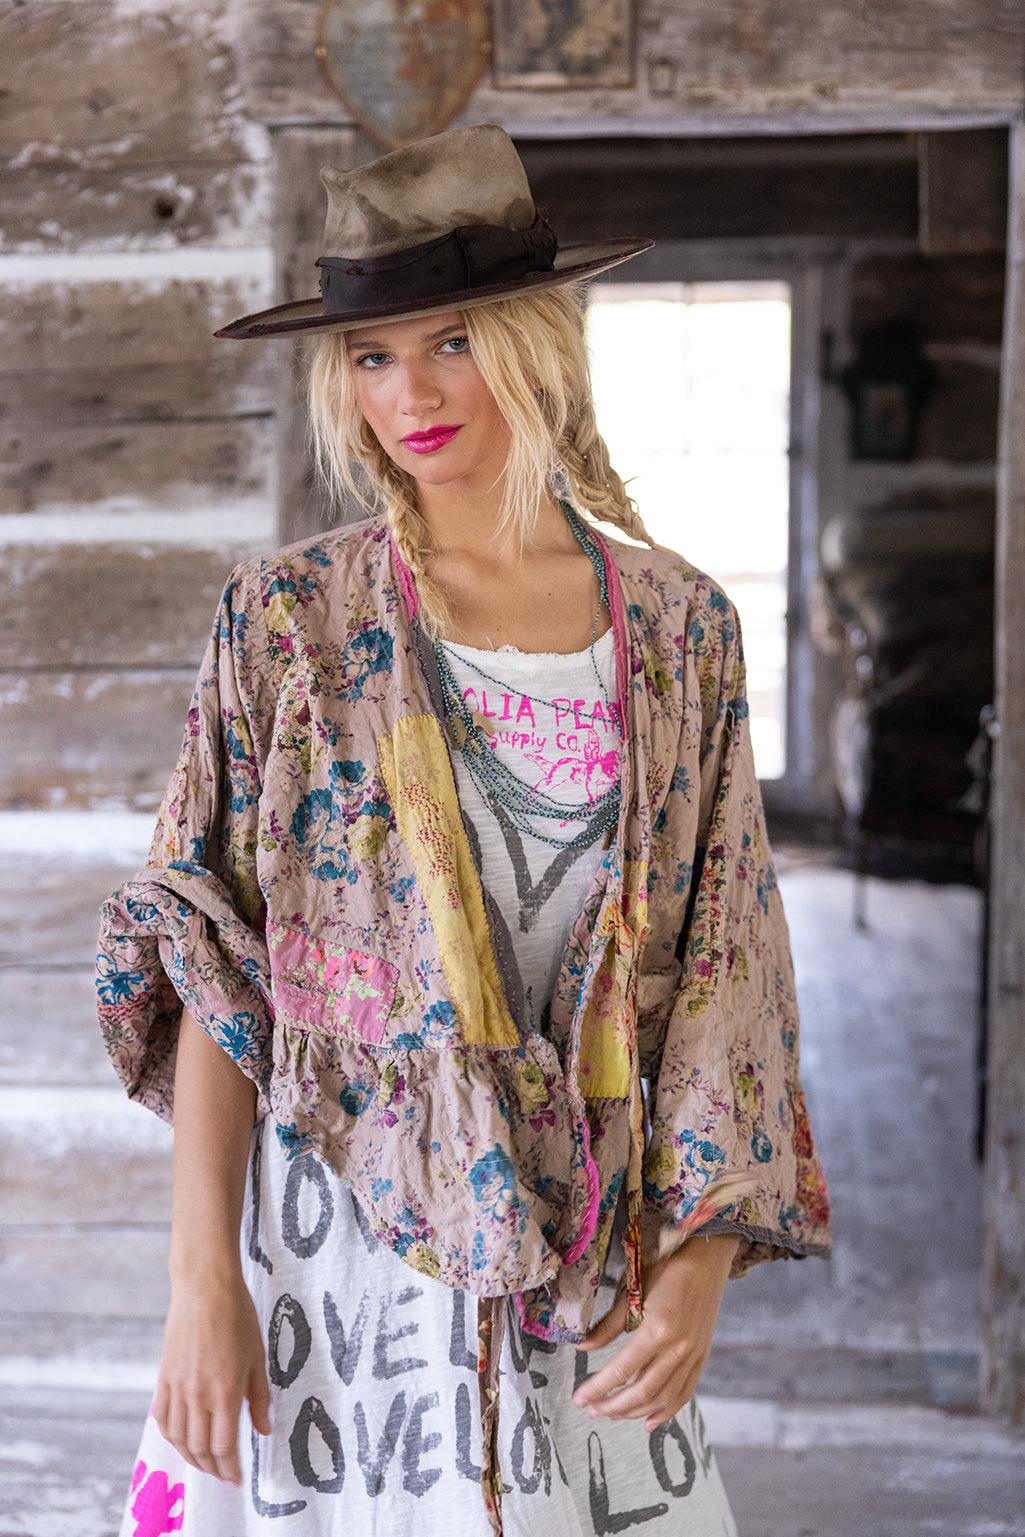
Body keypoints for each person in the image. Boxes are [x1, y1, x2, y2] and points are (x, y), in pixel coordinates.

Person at [95, 122, 832, 1537]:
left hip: (588, 1257)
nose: (407, 393)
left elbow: (726, 966)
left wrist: (692, 1271)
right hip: (333, 1260)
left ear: (532, 344)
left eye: (448, 342)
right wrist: (201, 1284)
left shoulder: (679, 629)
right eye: (370, 355)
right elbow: (206, 959)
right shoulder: (291, 626)